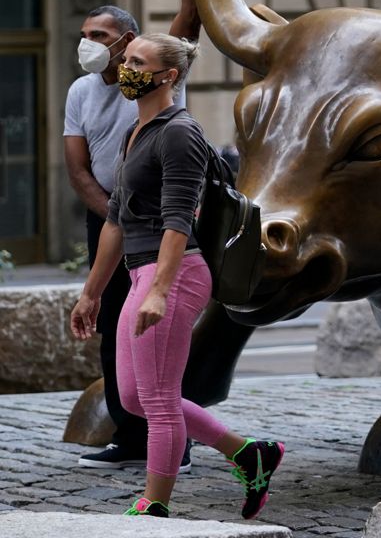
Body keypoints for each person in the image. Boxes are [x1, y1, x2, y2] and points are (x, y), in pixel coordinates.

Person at [69, 33, 284, 520]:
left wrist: (160, 291)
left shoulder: (178, 133)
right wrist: (91, 294)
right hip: (143, 273)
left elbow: (178, 219)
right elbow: (116, 222)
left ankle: (154, 504)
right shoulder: (136, 132)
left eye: (138, 62)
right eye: (126, 61)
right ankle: (249, 452)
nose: (126, 69)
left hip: (176, 274)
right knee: (131, 396)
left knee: (160, 400)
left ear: (168, 76)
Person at [65, 0, 222, 472]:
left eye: (101, 38)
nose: (90, 46)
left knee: (156, 356)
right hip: (112, 216)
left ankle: (166, 455)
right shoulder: (84, 92)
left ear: (133, 47)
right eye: (84, 37)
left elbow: (190, 18)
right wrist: (114, 219)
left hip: (160, 232)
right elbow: (79, 169)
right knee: (114, 334)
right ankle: (132, 434)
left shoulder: (168, 112)